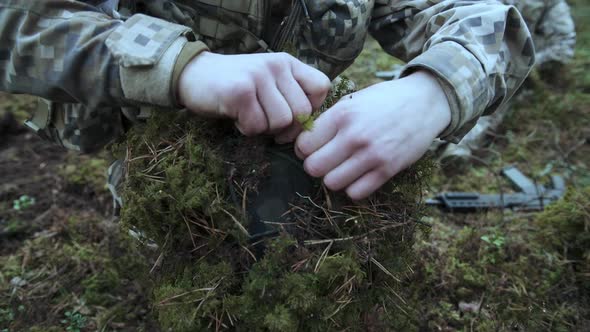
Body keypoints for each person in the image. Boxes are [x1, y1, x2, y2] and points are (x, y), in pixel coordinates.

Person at [0, 0, 534, 203]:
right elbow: (17, 21)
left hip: (312, 164)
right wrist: (185, 68)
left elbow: (483, 19)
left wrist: (430, 92)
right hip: (171, 171)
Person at [438, 0, 576, 162]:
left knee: (489, 107)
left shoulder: (552, 5)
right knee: (442, 90)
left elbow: (564, 46)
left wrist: (525, 64)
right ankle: (426, 143)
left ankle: (455, 153)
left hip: (510, 72)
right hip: (469, 56)